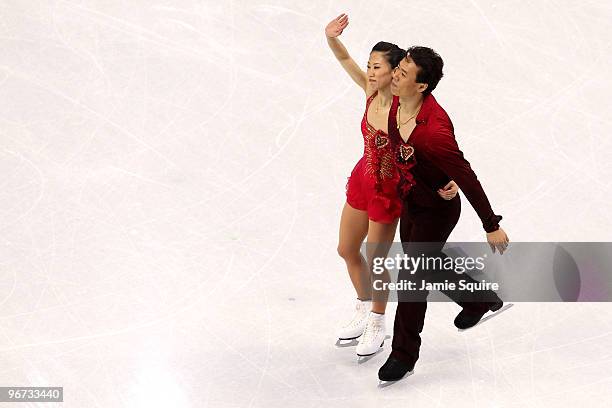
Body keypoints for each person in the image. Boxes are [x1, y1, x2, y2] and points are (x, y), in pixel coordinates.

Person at [325, 14, 459, 357]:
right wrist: (332, 37)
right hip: (363, 178)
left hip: (390, 188)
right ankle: (364, 304)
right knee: (346, 249)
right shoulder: (370, 92)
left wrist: (451, 178)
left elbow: (435, 144)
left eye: (378, 67)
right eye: (369, 65)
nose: (370, 72)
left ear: (394, 71)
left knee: (378, 258)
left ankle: (377, 322)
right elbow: (343, 58)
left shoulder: (406, 109)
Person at [377, 46, 510, 381]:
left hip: (437, 210)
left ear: (422, 86)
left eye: (403, 74)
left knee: (411, 278)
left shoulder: (434, 132)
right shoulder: (396, 100)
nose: (395, 75)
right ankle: (480, 300)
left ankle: (403, 355)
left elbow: (465, 175)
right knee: (424, 264)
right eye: (398, 68)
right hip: (413, 199)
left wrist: (490, 224)